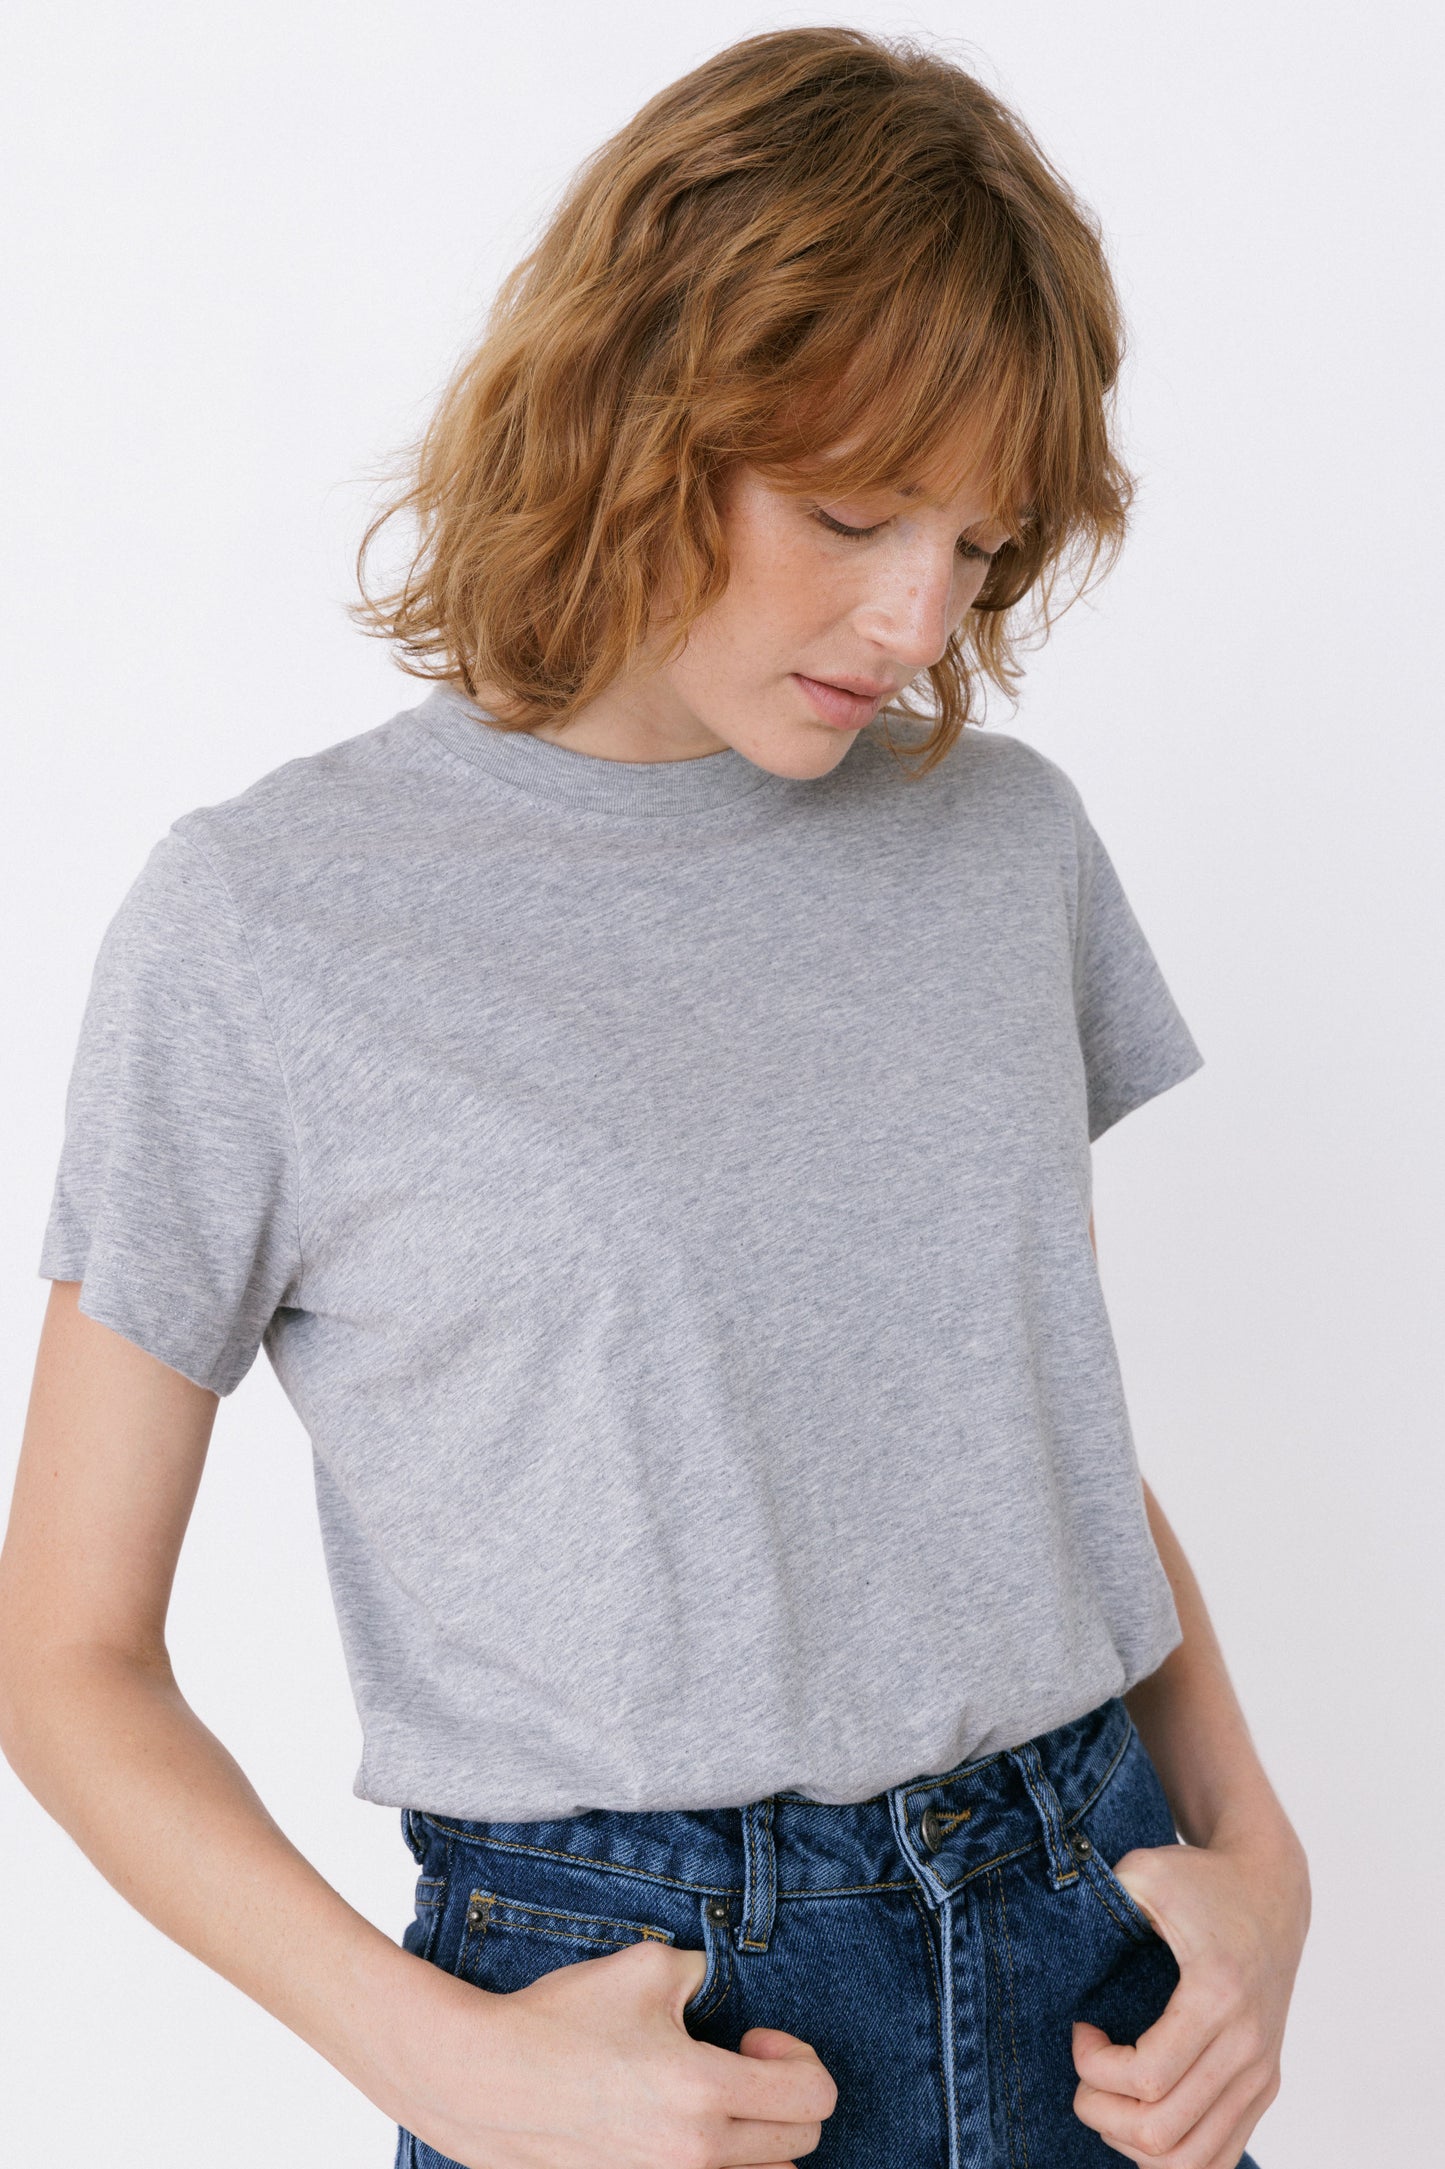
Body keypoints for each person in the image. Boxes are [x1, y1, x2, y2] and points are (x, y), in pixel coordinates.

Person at [0, 26, 1309, 2169]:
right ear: (630, 406)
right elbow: (64, 1656)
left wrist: (1259, 1859)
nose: (916, 616)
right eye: (851, 512)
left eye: (979, 544)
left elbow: (1025, 1438)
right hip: (630, 2029)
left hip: (1098, 1980)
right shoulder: (267, 920)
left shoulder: (1006, 849)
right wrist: (427, 2052)